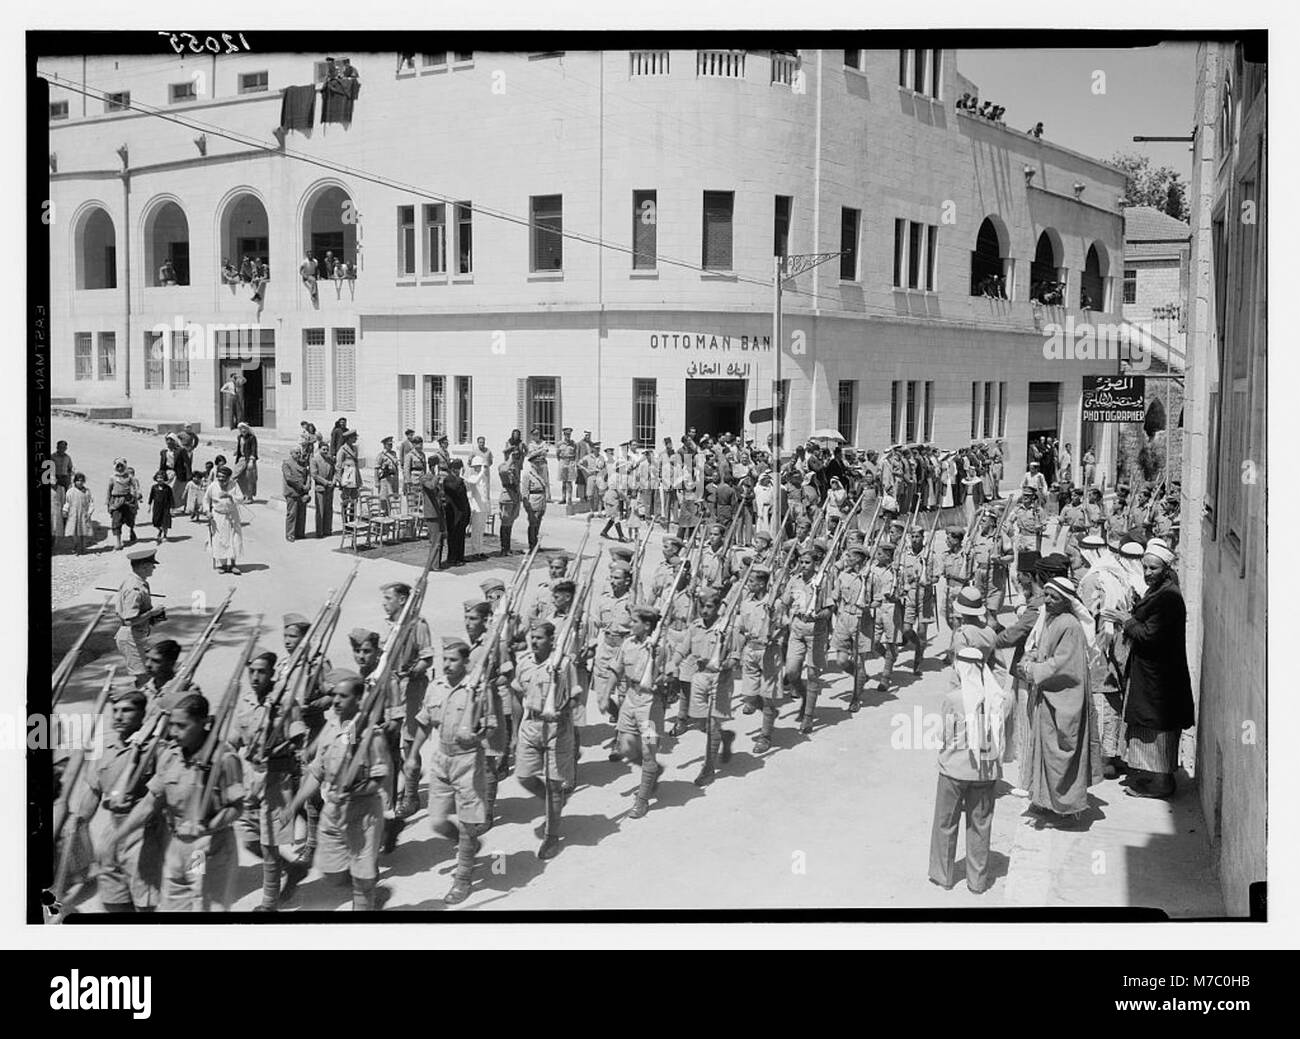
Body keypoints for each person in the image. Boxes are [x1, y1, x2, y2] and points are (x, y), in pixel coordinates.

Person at [111, 693, 245, 912]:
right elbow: (150, 803)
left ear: (204, 723)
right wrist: (117, 837)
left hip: (203, 848)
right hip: (176, 844)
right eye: (171, 725)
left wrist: (207, 827)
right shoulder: (171, 755)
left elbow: (237, 807)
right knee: (173, 909)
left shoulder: (224, 759)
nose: (173, 732)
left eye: (181, 726)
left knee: (203, 906)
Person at [282, 672, 392, 911]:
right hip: (332, 812)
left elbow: (379, 779)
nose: (336, 701)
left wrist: (353, 791)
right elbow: (316, 772)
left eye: (343, 696)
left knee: (362, 878)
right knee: (332, 874)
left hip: (363, 814)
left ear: (358, 699)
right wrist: (294, 804)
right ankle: (371, 889)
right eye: (334, 696)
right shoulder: (331, 728)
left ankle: (365, 898)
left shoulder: (371, 736)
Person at [1101, 541, 1194, 799]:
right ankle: (1155, 776)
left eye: (1153, 568)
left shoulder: (1168, 597)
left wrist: (1126, 620)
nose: (1147, 572)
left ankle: (1162, 782)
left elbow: (1151, 635)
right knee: (1150, 725)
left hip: (1160, 680)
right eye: (1145, 567)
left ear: (1165, 569)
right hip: (1152, 674)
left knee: (1158, 726)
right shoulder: (1161, 590)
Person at [403, 638, 490, 905]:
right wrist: (413, 754)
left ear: (466, 662)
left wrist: (475, 738)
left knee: (466, 821)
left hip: (467, 761)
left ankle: (462, 878)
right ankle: (470, 845)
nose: (448, 665)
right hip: (442, 758)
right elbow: (424, 721)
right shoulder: (435, 686)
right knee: (438, 820)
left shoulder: (476, 689)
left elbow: (490, 727)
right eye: (445, 660)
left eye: (453, 660)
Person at [66, 687, 165, 912]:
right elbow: (93, 790)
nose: (119, 716)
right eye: (116, 710)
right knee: (113, 899)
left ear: (142, 714)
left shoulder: (156, 748)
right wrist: (78, 822)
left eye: (127, 710)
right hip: (112, 830)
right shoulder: (105, 747)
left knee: (145, 901)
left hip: (145, 833)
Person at [1012, 576, 1099, 825]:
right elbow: (1046, 650)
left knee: (1061, 753)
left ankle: (1066, 810)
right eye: (1047, 595)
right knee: (1045, 751)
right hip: (1049, 697)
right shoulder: (1053, 620)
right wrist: (1031, 656)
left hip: (1064, 698)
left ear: (1066, 601)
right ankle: (1045, 802)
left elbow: (1062, 664)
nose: (1048, 601)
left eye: (1054, 597)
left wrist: (1031, 671)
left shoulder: (1070, 625)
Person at [228, 651, 311, 911]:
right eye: (251, 671)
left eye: (261, 671)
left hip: (276, 780)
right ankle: (292, 870)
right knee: (250, 838)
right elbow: (234, 740)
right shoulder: (245, 700)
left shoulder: (286, 700)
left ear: (272, 673)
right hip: (250, 780)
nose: (255, 676)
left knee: (268, 844)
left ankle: (269, 903)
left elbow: (299, 739)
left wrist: (277, 748)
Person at [928, 646, 1010, 894]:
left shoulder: (954, 698)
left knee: (945, 823)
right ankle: (977, 881)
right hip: (985, 774)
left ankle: (942, 875)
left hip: (954, 770)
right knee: (980, 825)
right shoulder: (999, 698)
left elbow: (944, 735)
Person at [511, 621, 575, 860]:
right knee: (524, 775)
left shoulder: (564, 664)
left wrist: (562, 711)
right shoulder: (524, 663)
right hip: (530, 724)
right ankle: (552, 802)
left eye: (539, 638)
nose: (534, 641)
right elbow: (518, 695)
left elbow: (574, 697)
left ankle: (552, 836)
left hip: (556, 729)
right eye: (532, 637)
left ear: (551, 640)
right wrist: (517, 731)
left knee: (554, 784)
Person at [668, 587, 738, 785]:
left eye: (709, 607)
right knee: (700, 722)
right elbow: (683, 649)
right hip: (699, 678)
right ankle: (722, 738)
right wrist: (671, 665)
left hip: (720, 680)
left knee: (713, 723)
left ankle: (708, 769)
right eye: (702, 606)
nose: (704, 610)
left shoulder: (727, 629)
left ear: (717, 607)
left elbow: (735, 656)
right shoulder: (695, 626)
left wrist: (726, 665)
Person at [114, 546, 165, 686]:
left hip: (137, 635)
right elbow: (130, 620)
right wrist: (152, 613)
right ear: (143, 566)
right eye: (151, 565)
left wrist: (152, 617)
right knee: (144, 678)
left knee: (145, 674)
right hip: (131, 637)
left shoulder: (138, 582)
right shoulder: (134, 589)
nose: (153, 568)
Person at [203, 466, 245, 574]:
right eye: (219, 477)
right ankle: (223, 565)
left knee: (234, 539)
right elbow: (206, 499)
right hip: (218, 516)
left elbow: (241, 498)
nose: (221, 479)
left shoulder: (234, 485)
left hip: (232, 516)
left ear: (228, 477)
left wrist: (230, 496)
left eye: (223, 477)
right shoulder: (213, 486)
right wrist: (207, 511)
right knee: (221, 540)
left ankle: (233, 565)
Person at [106, 458, 139, 552]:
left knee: (130, 519)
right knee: (116, 521)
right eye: (118, 466)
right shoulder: (112, 477)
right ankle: (118, 542)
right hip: (116, 501)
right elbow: (109, 490)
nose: (120, 468)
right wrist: (108, 502)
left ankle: (131, 530)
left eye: (122, 466)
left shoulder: (129, 477)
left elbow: (135, 487)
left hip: (128, 501)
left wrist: (136, 495)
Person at [443, 458, 471, 566]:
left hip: (462, 512)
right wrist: (460, 479)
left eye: (458, 468)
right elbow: (453, 488)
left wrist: (467, 511)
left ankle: (460, 557)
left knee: (460, 536)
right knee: (453, 536)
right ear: (451, 469)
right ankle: (452, 558)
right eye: (455, 468)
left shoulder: (460, 480)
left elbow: (464, 497)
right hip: (453, 513)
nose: (457, 470)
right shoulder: (448, 479)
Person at [522, 447, 548, 550]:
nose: (539, 465)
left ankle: (536, 544)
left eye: (540, 463)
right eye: (537, 463)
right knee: (533, 524)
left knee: (538, 524)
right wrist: (526, 505)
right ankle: (532, 544)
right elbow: (524, 491)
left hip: (541, 501)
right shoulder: (528, 475)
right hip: (533, 501)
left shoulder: (541, 474)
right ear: (532, 463)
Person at [334, 429, 363, 525]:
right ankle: (345, 523)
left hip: (355, 478)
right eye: (353, 437)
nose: (355, 439)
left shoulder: (355, 448)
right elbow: (338, 466)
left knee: (354, 501)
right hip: (347, 479)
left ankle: (352, 521)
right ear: (348, 439)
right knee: (346, 502)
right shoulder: (343, 449)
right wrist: (339, 480)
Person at [464, 454, 490, 559]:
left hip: (483, 507)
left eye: (480, 466)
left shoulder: (484, 477)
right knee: (475, 531)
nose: (478, 468)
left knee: (481, 530)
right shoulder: (473, 477)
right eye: (477, 466)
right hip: (476, 507)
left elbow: (485, 493)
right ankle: (475, 551)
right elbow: (474, 482)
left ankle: (480, 550)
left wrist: (488, 507)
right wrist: (482, 472)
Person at [282, 448, 310, 542]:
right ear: (291, 453)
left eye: (299, 453)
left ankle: (300, 533)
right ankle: (290, 534)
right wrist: (301, 486)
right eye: (296, 453)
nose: (298, 455)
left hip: (301, 493)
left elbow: (306, 475)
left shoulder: (302, 463)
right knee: (292, 514)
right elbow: (289, 478)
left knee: (301, 514)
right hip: (292, 492)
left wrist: (307, 485)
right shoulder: (287, 464)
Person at [63, 472, 94, 555]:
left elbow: (91, 503)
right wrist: (65, 510)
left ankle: (83, 548)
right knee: (73, 531)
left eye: (81, 481)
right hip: (73, 514)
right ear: (74, 481)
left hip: (84, 514)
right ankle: (76, 545)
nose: (80, 482)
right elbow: (67, 502)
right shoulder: (70, 491)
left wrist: (89, 512)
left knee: (84, 532)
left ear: (84, 482)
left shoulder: (87, 491)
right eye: (78, 481)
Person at [310, 442, 336, 539]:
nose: (325, 451)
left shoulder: (330, 460)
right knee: (320, 510)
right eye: (323, 449)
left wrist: (333, 481)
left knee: (329, 509)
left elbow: (335, 472)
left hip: (330, 488)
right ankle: (319, 531)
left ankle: (328, 529)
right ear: (319, 449)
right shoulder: (314, 460)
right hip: (320, 488)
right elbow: (314, 475)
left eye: (327, 449)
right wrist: (325, 482)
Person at [374, 436, 400, 514]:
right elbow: (376, 469)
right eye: (389, 444)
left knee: (392, 498)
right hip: (385, 479)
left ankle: (390, 515)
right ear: (384, 445)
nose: (390, 446)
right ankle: (383, 514)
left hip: (393, 478)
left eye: (391, 444)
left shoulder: (393, 453)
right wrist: (376, 482)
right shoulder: (381, 455)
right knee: (384, 498)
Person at [147, 470, 173, 544]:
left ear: (164, 478)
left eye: (161, 477)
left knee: (165, 522)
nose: (159, 479)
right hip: (157, 507)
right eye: (158, 478)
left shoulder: (168, 488)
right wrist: (149, 506)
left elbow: (171, 498)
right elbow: (151, 497)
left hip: (166, 507)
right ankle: (160, 530)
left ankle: (165, 535)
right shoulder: (154, 487)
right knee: (156, 521)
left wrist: (171, 508)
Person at [557, 427, 578, 505]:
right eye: (566, 434)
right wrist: (561, 460)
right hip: (563, 461)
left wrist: (573, 462)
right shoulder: (560, 443)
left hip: (570, 461)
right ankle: (563, 498)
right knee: (563, 481)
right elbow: (557, 454)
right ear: (564, 434)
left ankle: (569, 498)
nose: (568, 436)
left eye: (569, 434)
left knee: (569, 481)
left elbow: (575, 453)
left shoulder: (573, 443)